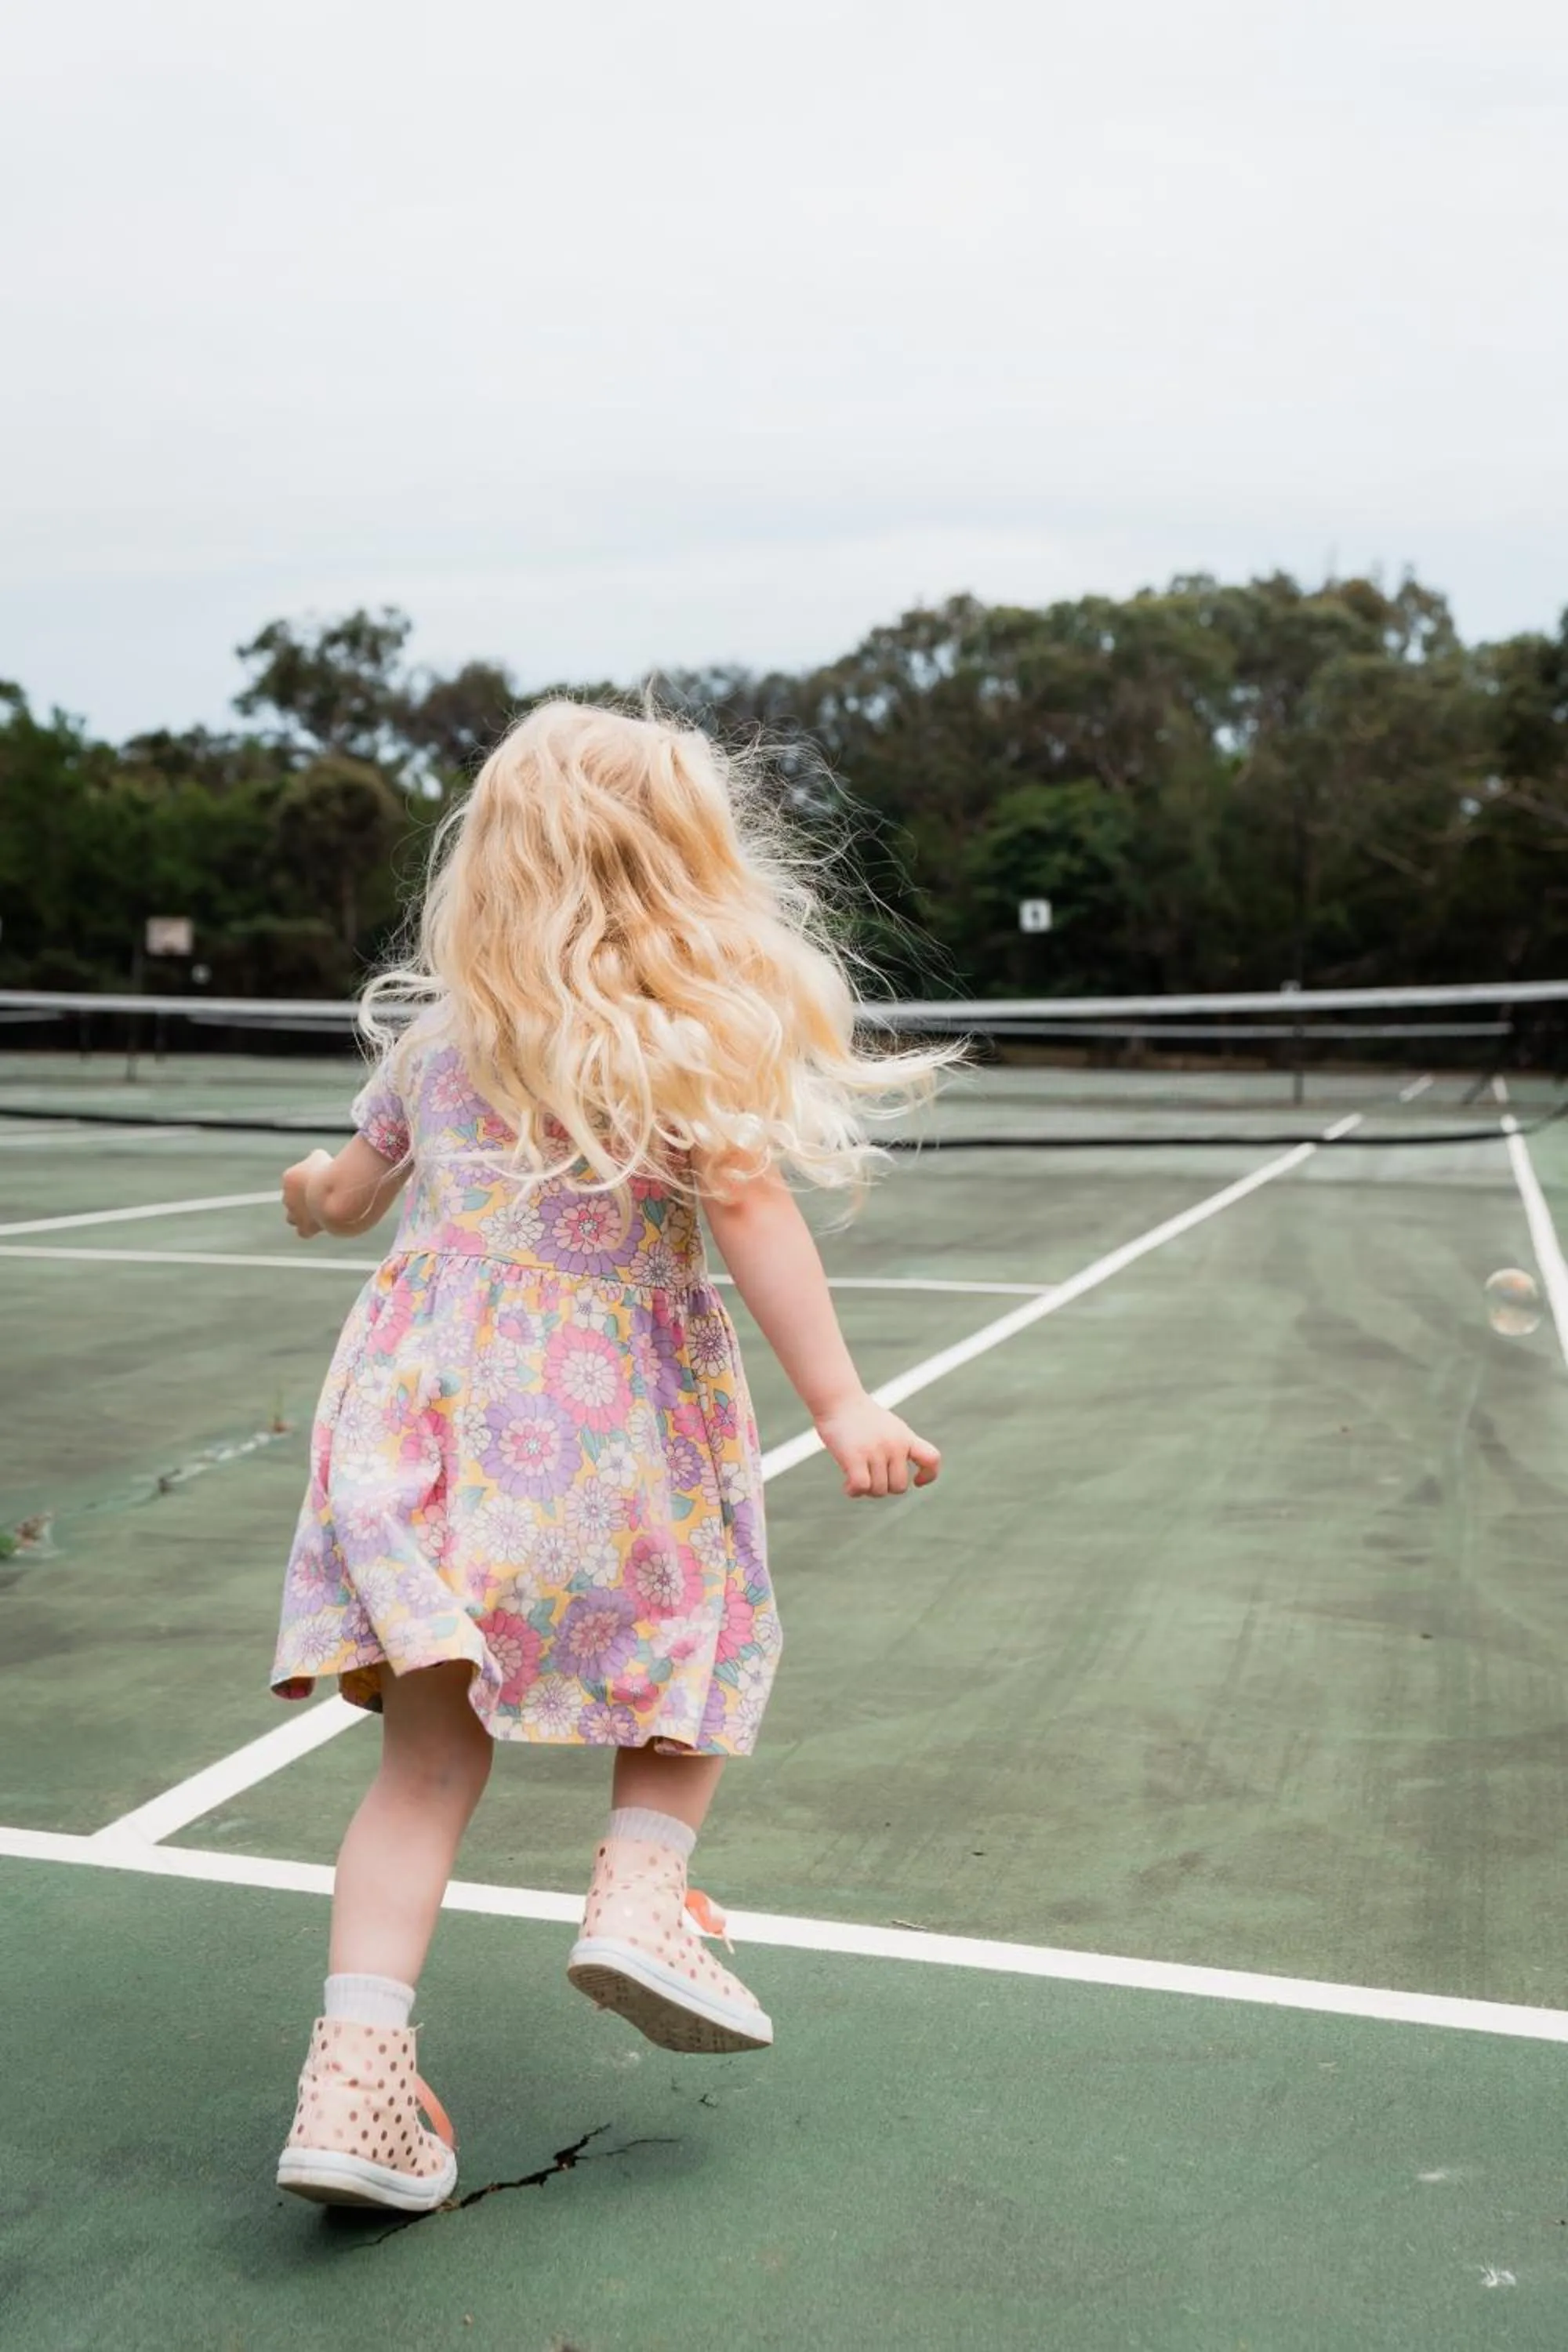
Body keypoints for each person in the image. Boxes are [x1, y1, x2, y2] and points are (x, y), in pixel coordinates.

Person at [269, 700, 949, 2212]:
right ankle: (642, 1890)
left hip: (430, 1434)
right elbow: (750, 1213)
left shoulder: (437, 1049)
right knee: (697, 1638)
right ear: (685, 865)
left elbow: (348, 1192)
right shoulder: (681, 1046)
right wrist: (840, 1401)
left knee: (425, 1765)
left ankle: (355, 2081)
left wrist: (310, 1190)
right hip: (610, 1421)